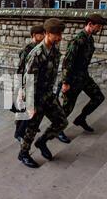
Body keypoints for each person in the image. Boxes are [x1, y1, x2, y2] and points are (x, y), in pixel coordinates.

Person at [18, 18, 69, 168]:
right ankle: (24, 154)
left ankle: (42, 142)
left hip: (48, 95)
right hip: (36, 96)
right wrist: (30, 105)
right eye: (56, 34)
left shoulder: (54, 50)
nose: (59, 37)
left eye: (60, 34)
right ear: (46, 33)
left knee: (62, 122)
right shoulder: (36, 54)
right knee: (31, 129)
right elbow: (28, 80)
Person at [58, 13, 106, 144]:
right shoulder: (77, 40)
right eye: (98, 26)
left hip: (84, 76)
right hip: (73, 79)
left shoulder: (90, 39)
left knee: (98, 97)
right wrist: (65, 82)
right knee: (67, 107)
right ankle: (57, 129)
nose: (99, 29)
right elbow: (67, 62)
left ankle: (81, 118)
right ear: (90, 24)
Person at [14, 25, 45, 142]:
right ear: (34, 35)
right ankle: (18, 133)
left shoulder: (41, 48)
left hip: (35, 83)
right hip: (26, 83)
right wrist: (21, 88)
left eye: (44, 33)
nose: (43, 36)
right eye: (40, 34)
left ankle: (25, 128)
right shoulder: (27, 50)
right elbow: (20, 70)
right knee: (24, 109)